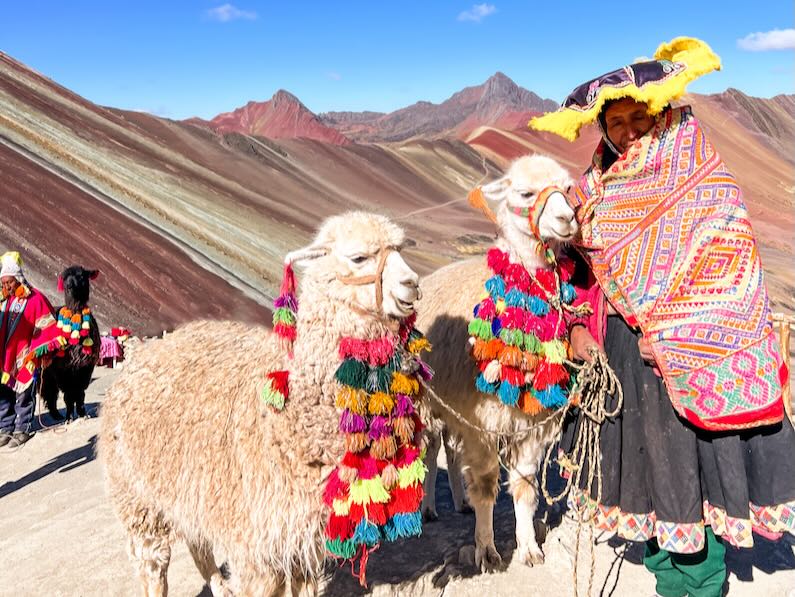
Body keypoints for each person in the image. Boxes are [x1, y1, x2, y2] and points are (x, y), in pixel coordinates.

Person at [531, 37, 795, 597]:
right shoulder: (593, 189)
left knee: (691, 477)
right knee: (648, 477)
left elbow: (731, 270)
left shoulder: (701, 177)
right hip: (625, 362)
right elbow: (575, 267)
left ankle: (700, 585)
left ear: (663, 114)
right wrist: (578, 325)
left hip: (686, 357)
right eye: (617, 121)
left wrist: (678, 335)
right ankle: (665, 576)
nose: (628, 131)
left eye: (639, 117)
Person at [0, 251, 57, 447]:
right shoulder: (3, 300)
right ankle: (5, 426)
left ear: (18, 278)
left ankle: (22, 428)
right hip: (5, 356)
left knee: (24, 392)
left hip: (25, 354)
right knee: (4, 391)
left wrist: (37, 351)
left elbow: (47, 325)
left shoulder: (35, 299)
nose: (6, 286)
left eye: (9, 282)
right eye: (3, 283)